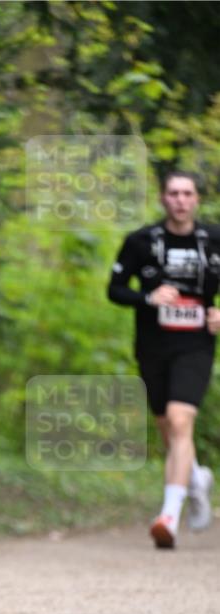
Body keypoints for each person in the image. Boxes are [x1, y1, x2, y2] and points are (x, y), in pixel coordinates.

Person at [108, 170, 220, 548]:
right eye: (173, 193)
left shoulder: (215, 240)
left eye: (188, 193)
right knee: (167, 429)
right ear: (163, 198)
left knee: (180, 419)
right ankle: (195, 478)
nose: (180, 200)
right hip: (154, 346)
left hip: (196, 345)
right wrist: (148, 299)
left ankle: (169, 516)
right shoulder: (141, 241)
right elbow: (115, 290)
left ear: (196, 200)